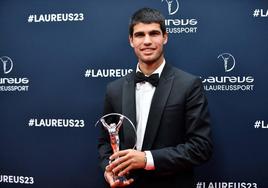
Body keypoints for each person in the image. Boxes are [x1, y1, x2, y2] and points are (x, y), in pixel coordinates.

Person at [98, 7, 212, 188]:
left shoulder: (189, 85)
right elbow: (105, 142)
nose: (147, 41)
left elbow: (201, 147)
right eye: (140, 35)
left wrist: (146, 159)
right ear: (131, 40)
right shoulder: (114, 89)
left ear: (165, 37)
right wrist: (108, 169)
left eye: (154, 33)